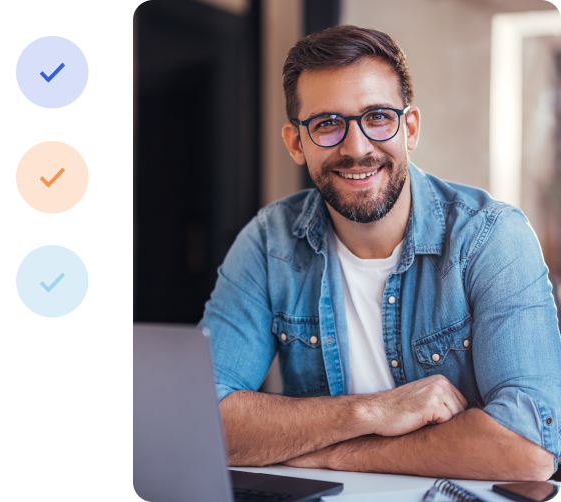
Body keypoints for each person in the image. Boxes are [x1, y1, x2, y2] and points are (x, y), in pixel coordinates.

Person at [199, 25, 561, 480]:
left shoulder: (492, 237)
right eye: (327, 124)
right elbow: (201, 418)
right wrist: (370, 413)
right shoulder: (269, 242)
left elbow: (529, 448)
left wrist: (335, 453)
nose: (357, 148)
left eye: (377, 117)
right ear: (296, 143)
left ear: (408, 128)